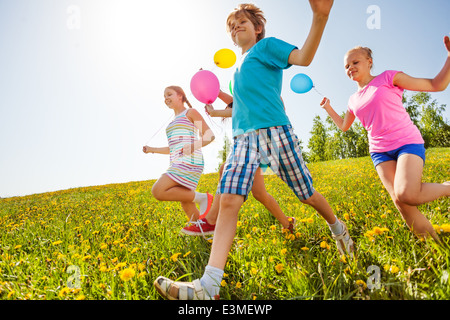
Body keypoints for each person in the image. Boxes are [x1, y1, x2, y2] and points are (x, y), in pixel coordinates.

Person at [154, 1, 355, 301]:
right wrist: (218, 103)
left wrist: (320, 18)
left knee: (306, 194)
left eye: (241, 22)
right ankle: (208, 286)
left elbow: (304, 57)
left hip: (275, 132)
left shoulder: (267, 48)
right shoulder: (237, 71)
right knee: (230, 199)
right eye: (232, 27)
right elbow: (238, 108)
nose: (236, 27)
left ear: (257, 28)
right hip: (243, 140)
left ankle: (338, 229)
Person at [319, 36, 450, 242]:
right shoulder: (353, 99)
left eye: (355, 62)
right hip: (380, 152)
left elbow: (436, 84)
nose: (350, 68)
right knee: (401, 203)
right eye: (346, 66)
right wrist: (328, 108)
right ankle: (434, 246)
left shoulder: (389, 77)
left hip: (406, 142)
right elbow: (344, 126)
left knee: (406, 193)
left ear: (369, 61)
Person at [181, 90, 296, 237]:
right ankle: (287, 223)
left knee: (225, 168)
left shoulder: (261, 92)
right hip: (259, 147)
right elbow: (232, 101)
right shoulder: (245, 96)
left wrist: (216, 112)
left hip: (265, 144)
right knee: (259, 193)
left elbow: (244, 107)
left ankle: (211, 221)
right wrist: (211, 89)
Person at [143, 86, 215, 231]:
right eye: (164, 96)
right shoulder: (171, 124)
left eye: (169, 94)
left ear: (180, 96)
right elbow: (173, 149)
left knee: (158, 190)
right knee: (186, 201)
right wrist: (152, 150)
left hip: (190, 161)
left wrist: (193, 146)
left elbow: (209, 135)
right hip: (177, 161)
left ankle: (203, 198)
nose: (166, 98)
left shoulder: (191, 113)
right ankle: (202, 230)